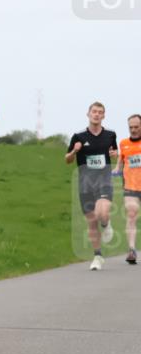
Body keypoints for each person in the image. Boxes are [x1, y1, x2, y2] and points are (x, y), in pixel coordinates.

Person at [65, 102, 118, 270]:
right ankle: (97, 256)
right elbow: (67, 159)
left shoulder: (110, 135)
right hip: (85, 184)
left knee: (102, 212)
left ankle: (107, 224)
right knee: (92, 222)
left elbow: (114, 154)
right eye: (94, 112)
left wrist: (115, 154)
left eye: (100, 112)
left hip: (104, 182)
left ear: (103, 116)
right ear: (88, 114)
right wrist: (74, 151)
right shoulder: (78, 136)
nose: (96, 114)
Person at [116, 114, 141, 264]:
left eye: (136, 127)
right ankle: (131, 249)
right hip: (130, 185)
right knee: (131, 214)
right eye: (131, 127)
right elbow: (120, 163)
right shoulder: (123, 143)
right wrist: (116, 169)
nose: (133, 130)